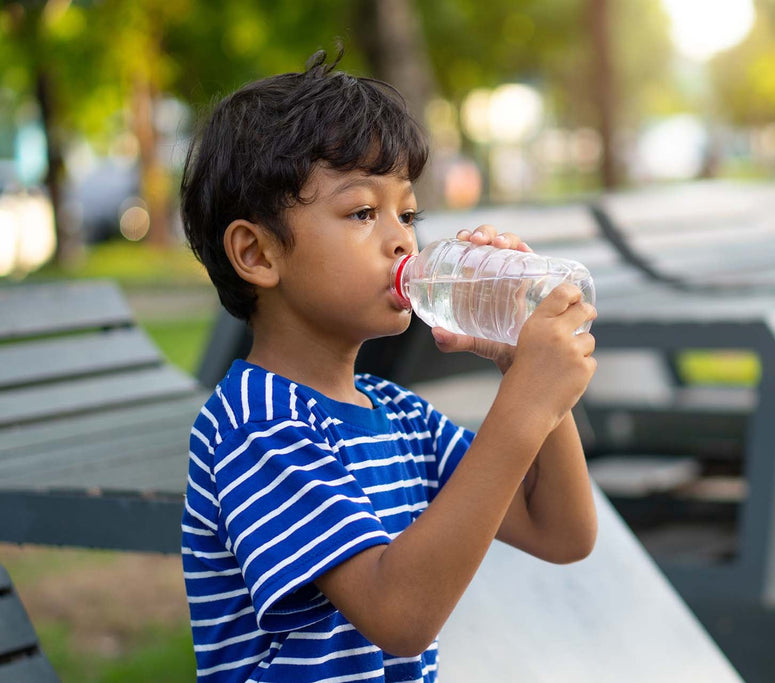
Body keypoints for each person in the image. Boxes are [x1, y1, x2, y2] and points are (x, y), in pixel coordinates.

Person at [178, 48, 598, 683]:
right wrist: (525, 405)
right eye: (362, 213)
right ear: (258, 254)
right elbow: (399, 615)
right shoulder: (256, 427)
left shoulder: (398, 416)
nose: (404, 240)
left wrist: (526, 373)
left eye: (407, 213)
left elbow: (561, 531)